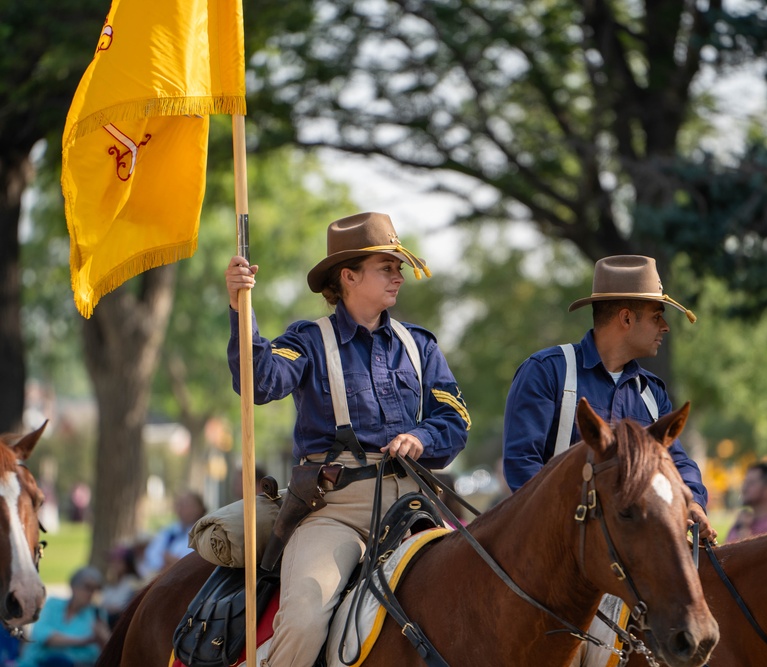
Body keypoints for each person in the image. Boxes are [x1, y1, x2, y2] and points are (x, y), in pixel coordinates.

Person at [225, 211, 470, 667]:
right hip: (337, 512)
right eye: (388, 268)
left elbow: (455, 420)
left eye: (399, 268)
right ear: (350, 275)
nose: (399, 277)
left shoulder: (422, 345)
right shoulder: (308, 340)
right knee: (303, 620)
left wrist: (421, 436)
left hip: (416, 507)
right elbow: (259, 383)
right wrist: (243, 310)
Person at [502, 255, 713, 540]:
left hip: (625, 557)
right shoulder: (547, 371)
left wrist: (694, 503)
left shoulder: (652, 392)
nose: (665, 326)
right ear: (626, 318)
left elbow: (678, 463)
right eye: (656, 316)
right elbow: (522, 463)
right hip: (554, 552)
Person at [18, 566, 110, 667]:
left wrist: (103, 637)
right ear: (73, 586)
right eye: (87, 587)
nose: (91, 593)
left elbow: (93, 653)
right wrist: (85, 641)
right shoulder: (53, 604)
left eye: (95, 589)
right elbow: (42, 635)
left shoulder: (96, 614)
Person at [136, 490, 207, 580]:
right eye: (180, 504)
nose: (182, 508)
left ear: (200, 508)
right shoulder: (169, 530)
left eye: (187, 504)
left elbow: (198, 562)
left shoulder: (204, 533)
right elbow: (151, 553)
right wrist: (163, 563)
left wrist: (177, 563)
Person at [725, 462, 767, 542]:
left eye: (751, 483)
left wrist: (744, 535)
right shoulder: (741, 523)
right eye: (745, 482)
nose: (744, 488)